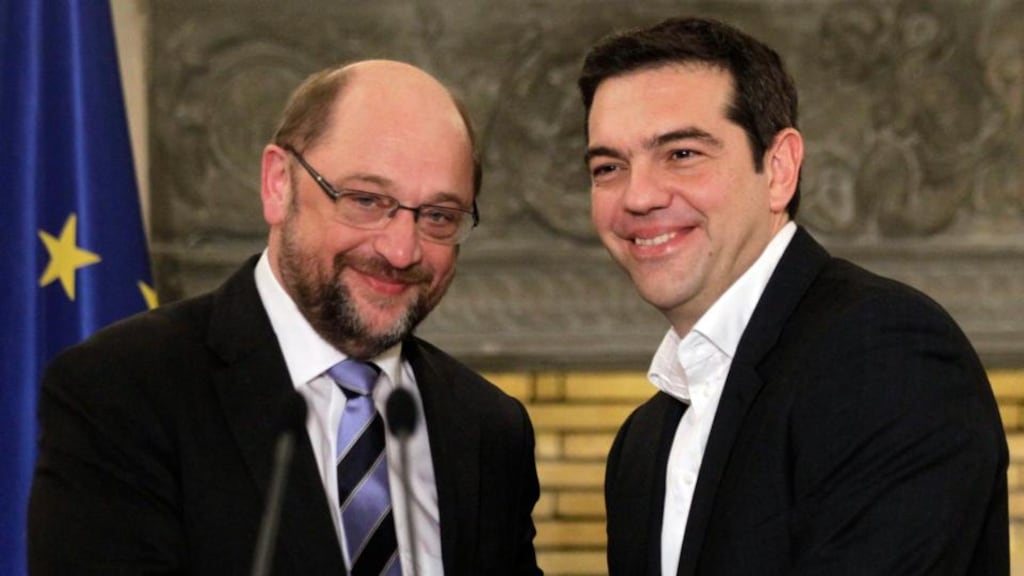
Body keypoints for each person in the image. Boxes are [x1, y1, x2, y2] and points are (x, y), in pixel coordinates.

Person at [29, 60, 543, 576]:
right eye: (365, 200)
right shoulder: (120, 392)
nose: (401, 249)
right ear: (279, 184)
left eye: (438, 217)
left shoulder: (489, 429)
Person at [577, 17, 1008, 576]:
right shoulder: (641, 444)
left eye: (681, 154)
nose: (638, 196)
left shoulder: (883, 356)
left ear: (778, 170)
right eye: (608, 167)